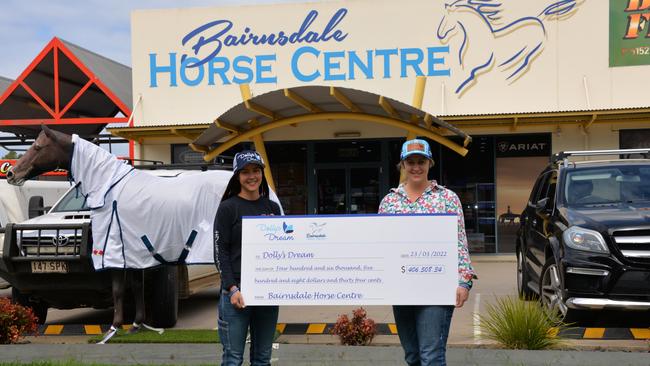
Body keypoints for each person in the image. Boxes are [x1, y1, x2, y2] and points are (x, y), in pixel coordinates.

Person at [378, 139, 476, 366]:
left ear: (430, 163)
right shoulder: (389, 202)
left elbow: (459, 241)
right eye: (410, 162)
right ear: (402, 164)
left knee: (431, 356)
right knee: (412, 355)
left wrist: (464, 281)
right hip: (401, 288)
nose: (416, 167)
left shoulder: (447, 199)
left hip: (436, 287)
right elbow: (383, 246)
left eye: (421, 161)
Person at [214, 150, 281, 366]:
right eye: (245, 172)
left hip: (267, 292)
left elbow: (282, 252)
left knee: (262, 359)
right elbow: (220, 252)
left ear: (262, 173)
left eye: (256, 171)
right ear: (237, 177)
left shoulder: (272, 208)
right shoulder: (228, 208)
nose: (251, 176)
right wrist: (232, 288)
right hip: (236, 293)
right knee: (233, 359)